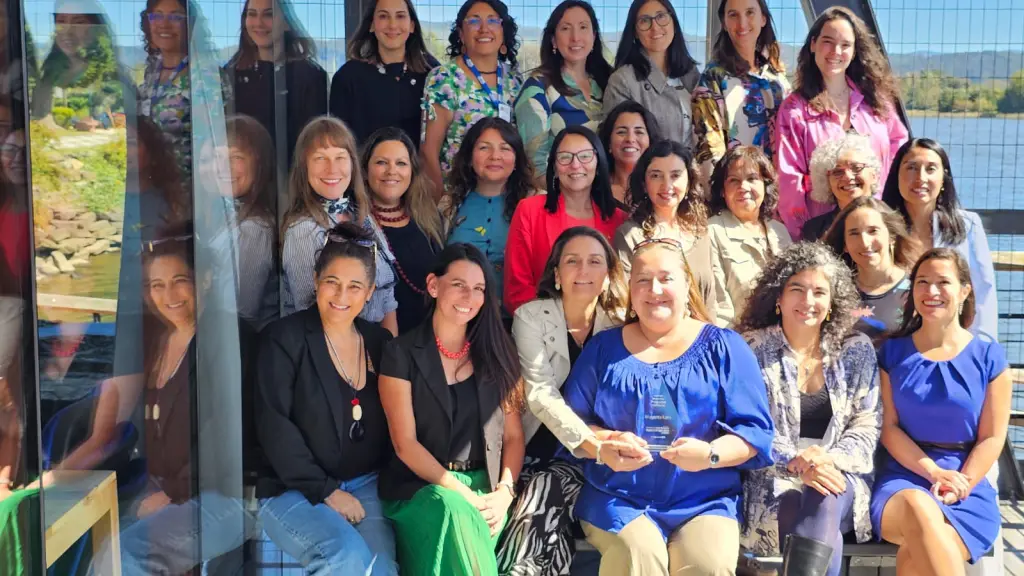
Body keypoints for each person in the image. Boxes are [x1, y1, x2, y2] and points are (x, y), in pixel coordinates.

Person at [563, 238, 775, 576]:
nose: (654, 289)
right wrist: (605, 444)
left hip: (705, 500)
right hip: (618, 497)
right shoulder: (604, 349)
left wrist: (710, 454)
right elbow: (571, 423)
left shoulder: (725, 348)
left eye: (666, 278)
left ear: (687, 283)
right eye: (643, 280)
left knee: (707, 565)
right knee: (638, 557)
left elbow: (755, 434)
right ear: (630, 290)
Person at [90, 231, 255, 574]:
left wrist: (171, 495)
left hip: (224, 496)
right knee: (86, 537)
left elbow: (227, 437)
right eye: (156, 285)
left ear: (206, 279)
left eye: (180, 280)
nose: (168, 295)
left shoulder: (229, 337)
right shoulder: (161, 341)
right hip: (165, 490)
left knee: (123, 559)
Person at [256, 222, 398, 576]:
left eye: (354, 287)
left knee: (381, 568)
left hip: (364, 483)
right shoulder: (283, 339)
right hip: (292, 490)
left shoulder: (378, 343)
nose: (341, 295)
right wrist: (327, 491)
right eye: (332, 282)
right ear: (316, 280)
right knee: (343, 558)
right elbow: (275, 426)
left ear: (369, 293)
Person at [378, 243, 525, 576]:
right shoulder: (400, 353)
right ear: (433, 285)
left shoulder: (498, 352)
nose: (468, 297)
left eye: (478, 289)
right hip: (421, 489)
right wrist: (464, 495)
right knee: (452, 510)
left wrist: (504, 493)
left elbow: (514, 436)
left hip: (486, 490)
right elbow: (405, 444)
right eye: (458, 284)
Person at [738, 242, 881, 576]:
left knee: (823, 496)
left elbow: (866, 425)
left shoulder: (855, 350)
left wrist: (824, 460)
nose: (808, 301)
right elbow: (747, 426)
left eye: (819, 292)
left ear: (832, 303)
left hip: (839, 473)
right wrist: (798, 463)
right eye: (797, 289)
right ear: (778, 298)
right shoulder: (752, 348)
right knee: (803, 504)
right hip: (771, 477)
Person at [871, 248, 1011, 574]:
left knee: (917, 555)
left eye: (942, 282)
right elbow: (888, 428)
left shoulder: (989, 357)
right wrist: (934, 474)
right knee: (920, 508)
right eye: (922, 282)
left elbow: (992, 437)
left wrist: (960, 483)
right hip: (904, 478)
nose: (931, 292)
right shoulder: (891, 353)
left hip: (968, 483)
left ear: (964, 290)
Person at [498, 226, 628, 574]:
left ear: (608, 275)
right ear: (556, 273)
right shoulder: (530, 317)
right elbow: (539, 394)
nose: (583, 271)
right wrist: (591, 442)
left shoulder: (620, 327)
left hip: (598, 460)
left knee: (546, 490)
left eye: (594, 262)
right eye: (572, 261)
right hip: (542, 448)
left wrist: (599, 446)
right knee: (545, 489)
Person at [775, 6, 908, 240]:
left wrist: (891, 215)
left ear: (855, 51)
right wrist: (804, 237)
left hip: (876, 228)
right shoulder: (794, 109)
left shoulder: (878, 102)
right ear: (813, 44)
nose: (836, 51)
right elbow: (789, 182)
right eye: (828, 41)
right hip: (823, 232)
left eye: (845, 44)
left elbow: (899, 155)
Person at [281, 116, 398, 335]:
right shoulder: (303, 231)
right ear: (303, 168)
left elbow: (387, 299)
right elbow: (316, 317)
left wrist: (391, 357)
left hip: (376, 347)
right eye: (320, 158)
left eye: (340, 157)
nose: (332, 169)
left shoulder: (360, 215)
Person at [881, 138, 997, 342]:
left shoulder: (968, 225)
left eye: (931, 169)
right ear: (896, 175)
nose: (920, 178)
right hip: (894, 343)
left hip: (953, 343)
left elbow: (983, 293)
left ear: (944, 179)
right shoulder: (881, 226)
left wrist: (984, 348)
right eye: (911, 168)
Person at [504, 125, 627, 313]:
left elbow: (623, 289)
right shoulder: (529, 211)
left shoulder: (619, 219)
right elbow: (516, 290)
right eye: (565, 157)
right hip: (541, 326)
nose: (575, 165)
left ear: (598, 162)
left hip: (605, 326)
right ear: (553, 166)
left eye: (585, 156)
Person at [420, 0, 524, 197]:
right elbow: (428, 152)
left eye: (493, 21)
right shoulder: (444, 79)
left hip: (508, 197)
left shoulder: (515, 80)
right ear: (461, 33)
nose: (484, 29)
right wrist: (441, 205)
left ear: (504, 32)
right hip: (458, 199)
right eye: (474, 21)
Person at [613, 140, 716, 321]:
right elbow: (624, 303)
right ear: (644, 183)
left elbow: (710, 302)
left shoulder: (701, 232)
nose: (666, 185)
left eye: (675, 175)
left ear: (689, 181)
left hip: (701, 337)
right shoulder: (630, 236)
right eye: (656, 175)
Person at [514, 0, 611, 182]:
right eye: (566, 28)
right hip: (561, 196)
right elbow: (535, 167)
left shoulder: (608, 81)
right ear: (553, 40)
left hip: (607, 192)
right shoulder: (538, 87)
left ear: (594, 35)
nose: (575, 37)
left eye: (583, 27)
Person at [222, 0, 327, 167]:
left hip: (291, 179)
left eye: (268, 14)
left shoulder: (309, 76)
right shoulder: (231, 74)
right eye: (252, 14)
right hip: (241, 177)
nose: (258, 23)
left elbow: (313, 142)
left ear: (286, 22)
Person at [692, 0, 789, 179]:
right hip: (739, 194)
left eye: (750, 13)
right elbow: (709, 148)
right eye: (733, 15)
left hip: (780, 193)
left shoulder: (778, 79)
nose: (742, 23)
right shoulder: (713, 78)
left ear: (763, 19)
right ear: (724, 23)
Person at [363, 127, 443, 333]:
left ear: (412, 171)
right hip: (377, 344)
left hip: (426, 342)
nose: (392, 171)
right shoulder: (354, 223)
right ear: (365, 169)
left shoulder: (429, 219)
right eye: (381, 162)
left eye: (401, 163)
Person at [444, 117, 534, 300]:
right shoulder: (449, 204)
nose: (495, 156)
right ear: (469, 157)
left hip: (520, 317)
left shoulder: (536, 202)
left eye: (505, 148)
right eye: (484, 147)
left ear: (517, 159)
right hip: (461, 313)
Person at [331, 0, 437, 147]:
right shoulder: (348, 77)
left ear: (412, 25)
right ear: (372, 25)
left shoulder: (432, 73)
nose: (392, 25)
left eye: (400, 16)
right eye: (383, 16)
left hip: (419, 169)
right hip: (364, 168)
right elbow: (340, 143)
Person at [707, 145, 792, 328]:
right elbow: (719, 309)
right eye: (734, 181)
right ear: (722, 190)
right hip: (740, 341)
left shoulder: (780, 232)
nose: (743, 187)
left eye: (752, 178)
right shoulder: (712, 231)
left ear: (765, 185)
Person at [822, 197, 920, 346]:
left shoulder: (916, 290)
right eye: (854, 233)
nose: (864, 242)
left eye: (873, 231)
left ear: (892, 236)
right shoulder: (834, 293)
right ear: (845, 245)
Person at [604, 0, 700, 146]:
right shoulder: (623, 81)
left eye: (661, 16)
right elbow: (619, 145)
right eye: (644, 21)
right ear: (635, 32)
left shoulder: (691, 73)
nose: (655, 27)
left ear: (673, 22)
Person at [137, 0, 194, 177]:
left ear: (189, 24)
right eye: (157, 15)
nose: (164, 24)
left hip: (188, 193)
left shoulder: (204, 76)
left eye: (175, 16)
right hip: (151, 186)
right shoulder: (151, 70)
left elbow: (216, 144)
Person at [801, 133, 881, 240]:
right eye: (837, 172)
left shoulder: (892, 220)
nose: (848, 177)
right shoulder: (815, 230)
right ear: (827, 182)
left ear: (874, 175)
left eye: (856, 168)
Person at [598, 100, 660, 207]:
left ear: (650, 141)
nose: (630, 139)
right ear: (609, 143)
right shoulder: (594, 190)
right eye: (621, 132)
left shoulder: (662, 188)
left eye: (639, 132)